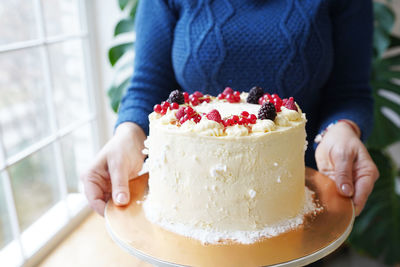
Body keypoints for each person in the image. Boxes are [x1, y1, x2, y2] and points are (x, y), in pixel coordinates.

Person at [82, 0, 379, 217]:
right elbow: (149, 82)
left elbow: (349, 91)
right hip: (186, 212)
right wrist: (129, 133)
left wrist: (342, 128)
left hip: (295, 208)